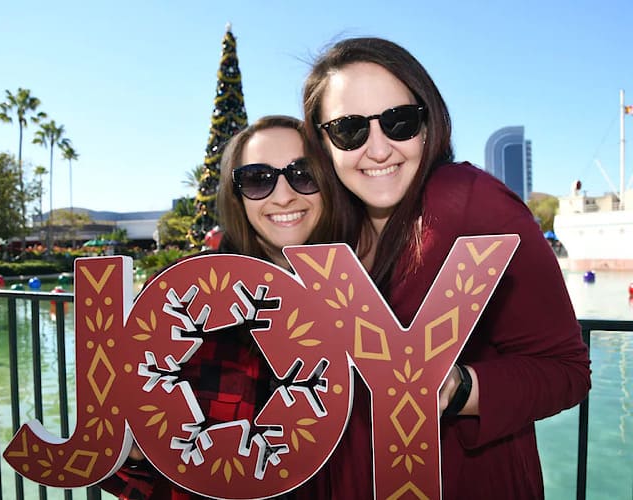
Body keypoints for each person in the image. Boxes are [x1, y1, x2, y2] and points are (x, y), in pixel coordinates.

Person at [302, 37, 591, 499]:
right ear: (322, 141)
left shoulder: (474, 204)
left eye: (398, 122)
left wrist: (459, 390)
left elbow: (567, 371)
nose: (378, 150)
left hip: (466, 481)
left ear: (427, 123)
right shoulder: (327, 230)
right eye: (349, 130)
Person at [100, 115, 338, 499]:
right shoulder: (179, 298)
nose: (283, 196)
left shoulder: (365, 295)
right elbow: (134, 471)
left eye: (303, 173)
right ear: (237, 195)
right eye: (258, 179)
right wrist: (132, 446)